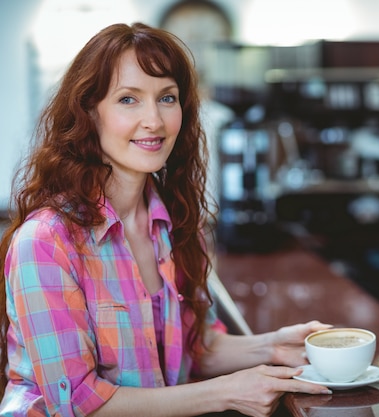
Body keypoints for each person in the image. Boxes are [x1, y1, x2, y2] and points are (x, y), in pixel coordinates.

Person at [0, 22, 332, 417]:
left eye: (167, 98)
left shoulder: (170, 220)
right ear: (89, 112)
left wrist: (274, 346)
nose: (154, 121)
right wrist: (225, 393)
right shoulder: (45, 241)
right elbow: (76, 402)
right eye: (128, 99)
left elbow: (193, 345)